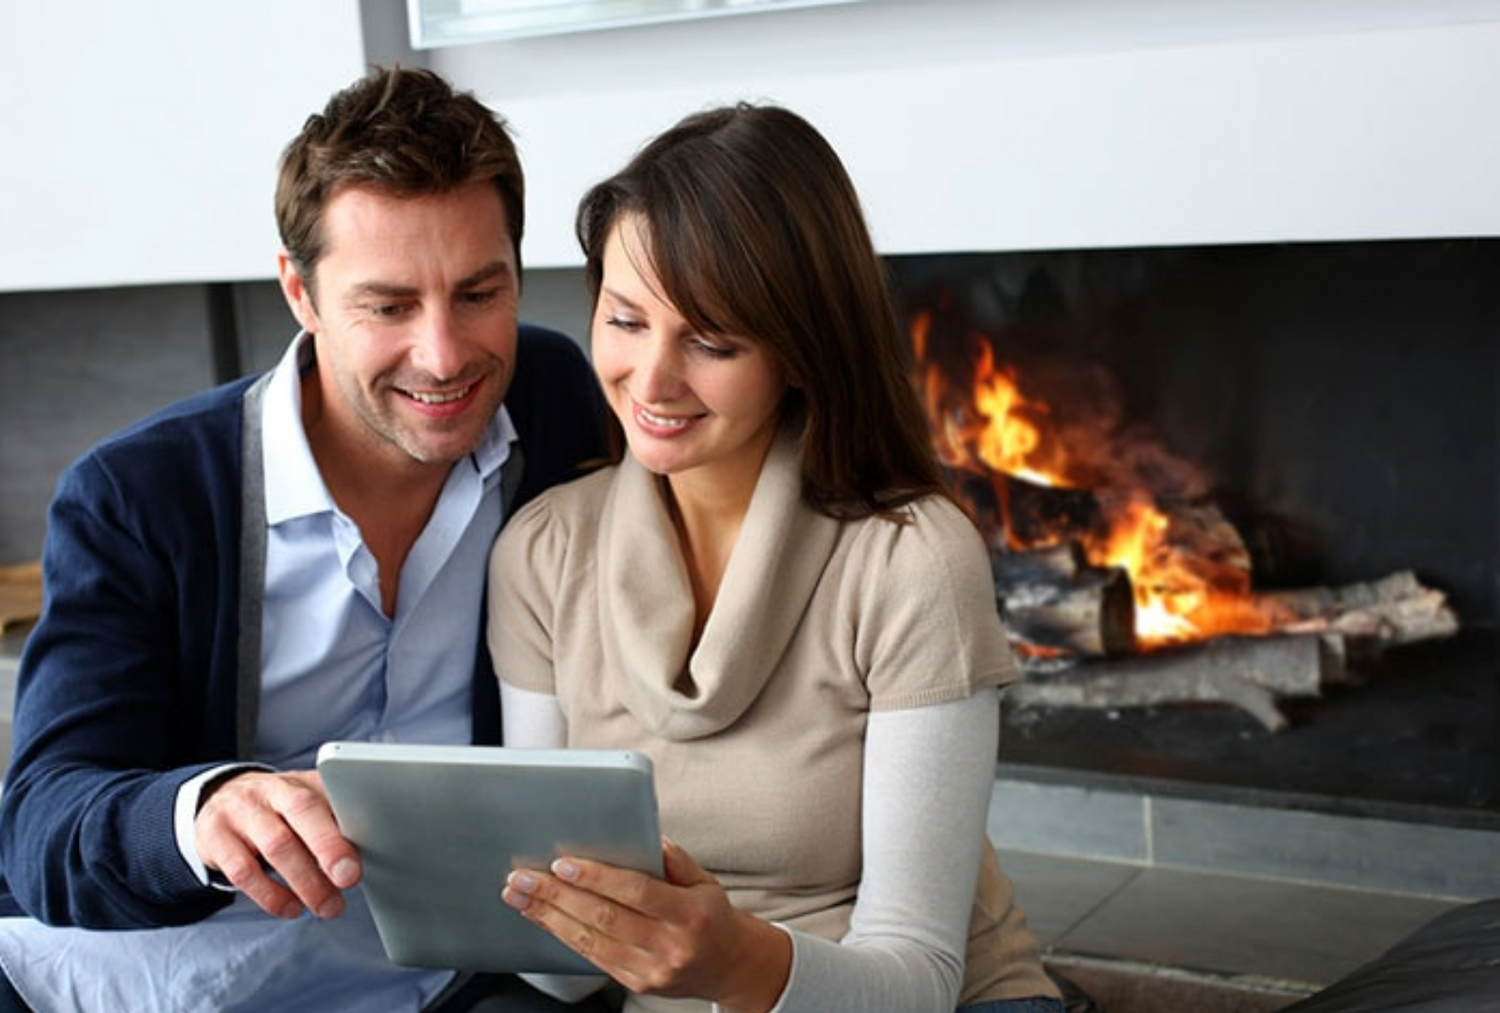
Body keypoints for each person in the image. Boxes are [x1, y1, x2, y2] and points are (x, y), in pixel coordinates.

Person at [0, 67, 611, 1012]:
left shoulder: (554, 398)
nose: (445, 356)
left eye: (480, 292)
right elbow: (43, 822)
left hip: (452, 973)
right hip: (164, 972)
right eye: (388, 305)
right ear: (300, 291)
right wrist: (201, 814)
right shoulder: (140, 493)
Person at [486, 103, 1065, 1013]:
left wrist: (734, 963)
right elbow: (557, 964)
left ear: (802, 350)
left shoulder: (912, 558)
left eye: (712, 342)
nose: (655, 379)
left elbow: (919, 973)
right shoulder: (543, 552)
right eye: (626, 320)